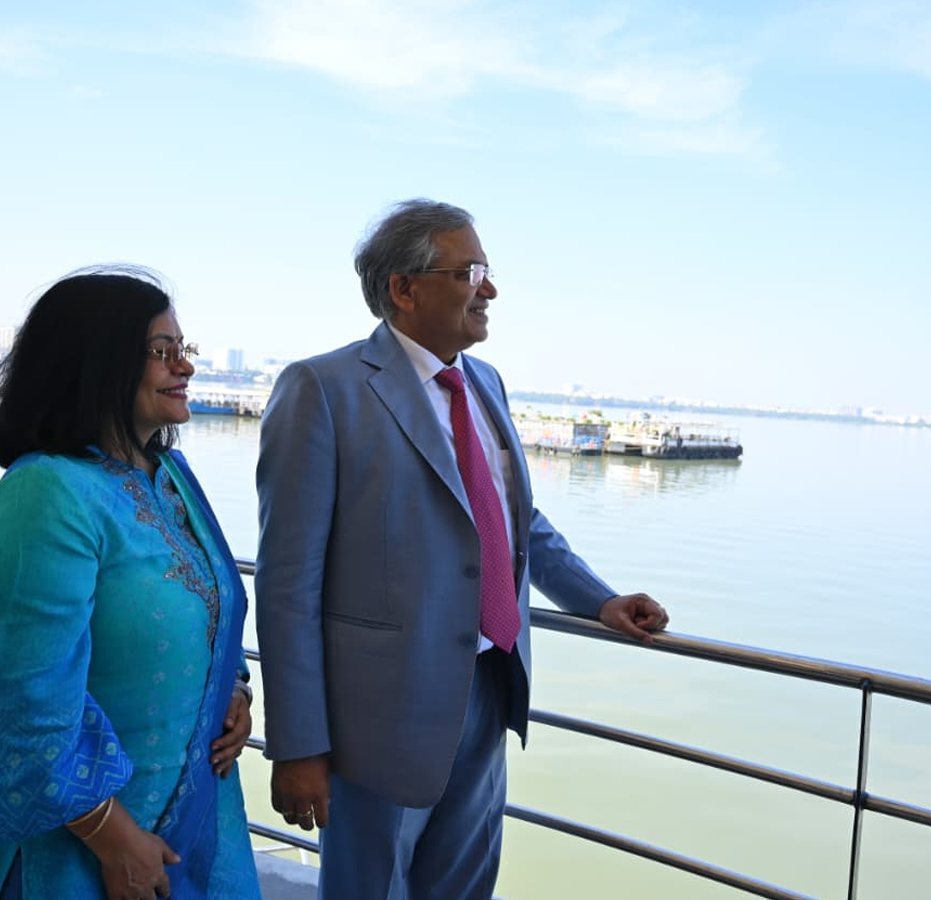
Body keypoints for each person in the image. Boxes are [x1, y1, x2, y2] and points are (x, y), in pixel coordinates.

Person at [254, 199, 670, 900]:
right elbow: (287, 583)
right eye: (471, 271)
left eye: (488, 271)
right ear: (405, 288)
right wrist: (296, 744)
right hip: (376, 719)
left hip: (489, 690)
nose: (491, 289)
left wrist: (598, 600)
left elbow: (517, 524)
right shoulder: (323, 389)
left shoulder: (487, 384)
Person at [0, 267, 261, 900]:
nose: (186, 367)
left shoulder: (171, 476)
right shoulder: (47, 493)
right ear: (97, 362)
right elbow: (27, 701)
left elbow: (211, 606)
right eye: (162, 351)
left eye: (184, 350)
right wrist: (117, 841)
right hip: (79, 844)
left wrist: (233, 689)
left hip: (193, 816)